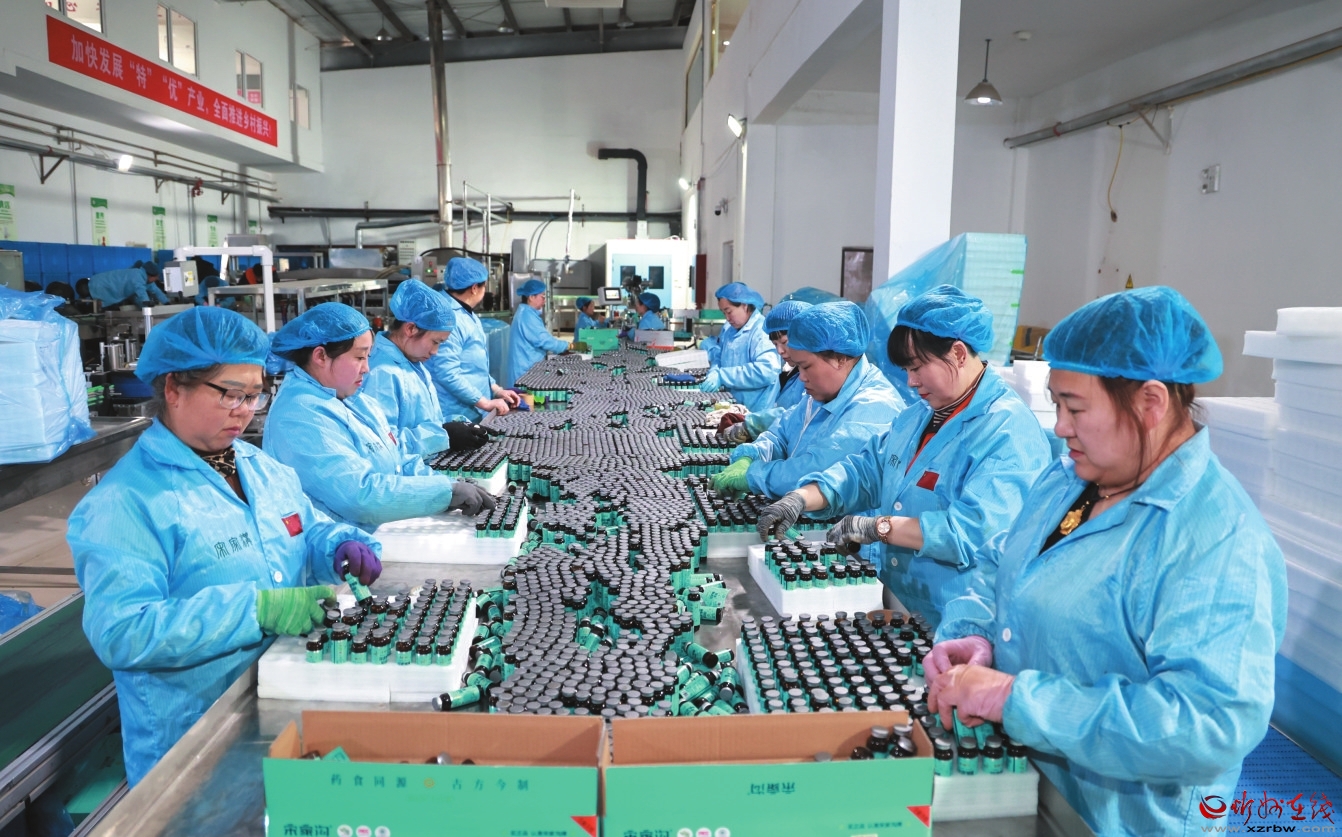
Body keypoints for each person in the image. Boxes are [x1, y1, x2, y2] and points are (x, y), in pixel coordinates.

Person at [924, 287, 1287, 836]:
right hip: (1027, 786)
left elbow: (1209, 723)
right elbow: (1002, 563)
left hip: (1115, 819)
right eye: (1057, 405)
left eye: (1075, 408)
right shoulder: (1071, 478)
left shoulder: (1215, 539)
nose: (1060, 427)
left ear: (1150, 403)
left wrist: (1013, 698)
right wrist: (976, 632)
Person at [67, 307, 381, 786]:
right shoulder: (126, 502)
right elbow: (123, 631)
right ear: (174, 388)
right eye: (232, 394)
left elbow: (303, 529)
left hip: (281, 699)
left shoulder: (259, 467)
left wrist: (336, 545)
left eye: (255, 395)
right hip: (193, 744)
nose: (246, 411)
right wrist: (256, 611)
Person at [755, 285, 1051, 627]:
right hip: (900, 602)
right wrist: (802, 497)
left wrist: (879, 527)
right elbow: (867, 470)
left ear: (957, 353)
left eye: (917, 367)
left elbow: (973, 532)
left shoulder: (1008, 431)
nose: (910, 382)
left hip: (959, 621)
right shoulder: (919, 416)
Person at [263, 302, 495, 532]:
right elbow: (360, 495)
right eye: (359, 357)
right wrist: (443, 493)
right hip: (344, 547)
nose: (367, 368)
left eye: (368, 357)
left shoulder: (355, 400)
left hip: (380, 532)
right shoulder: (299, 415)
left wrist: (446, 484)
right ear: (321, 356)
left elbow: (397, 459)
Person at [712, 301, 906, 499]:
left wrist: (755, 475)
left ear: (840, 358)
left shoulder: (873, 408)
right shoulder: (822, 395)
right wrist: (752, 454)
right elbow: (782, 433)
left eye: (805, 367)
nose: (801, 377)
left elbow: (817, 469)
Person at [363, 279, 487, 457]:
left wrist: (460, 426)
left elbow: (424, 422)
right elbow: (383, 446)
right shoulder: (381, 374)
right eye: (435, 342)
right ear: (411, 329)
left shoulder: (412, 362)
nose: (435, 352)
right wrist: (444, 435)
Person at [427, 258, 519, 419]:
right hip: (457, 413)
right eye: (484, 286)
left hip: (474, 408)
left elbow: (474, 367)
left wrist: (497, 390)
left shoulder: (466, 313)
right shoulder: (450, 318)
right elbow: (447, 373)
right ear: (474, 288)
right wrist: (485, 403)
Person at [719, 298, 813, 444]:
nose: (779, 351)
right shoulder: (794, 373)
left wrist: (753, 424)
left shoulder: (814, 377)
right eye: (775, 344)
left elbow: (801, 414)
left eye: (784, 342)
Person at [699, 282, 781, 412]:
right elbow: (720, 356)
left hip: (756, 411)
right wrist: (714, 371)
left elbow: (767, 371)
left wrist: (723, 376)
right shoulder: (729, 330)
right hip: (733, 406)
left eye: (729, 311)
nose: (727, 318)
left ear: (744, 305)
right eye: (723, 313)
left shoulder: (761, 331)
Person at [506, 277, 569, 388]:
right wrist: (567, 346)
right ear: (531, 297)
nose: (545, 301)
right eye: (542, 297)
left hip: (527, 369)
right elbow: (543, 340)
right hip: (524, 373)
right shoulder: (527, 316)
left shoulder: (527, 313)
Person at [76, 261, 169, 308]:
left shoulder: (146, 279)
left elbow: (156, 290)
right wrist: (146, 303)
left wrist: (167, 302)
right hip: (102, 285)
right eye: (156, 277)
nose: (157, 279)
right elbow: (141, 292)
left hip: (105, 284)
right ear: (150, 275)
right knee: (99, 304)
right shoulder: (137, 276)